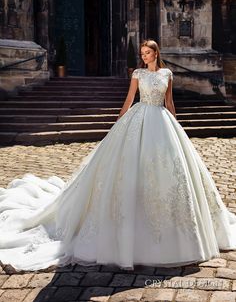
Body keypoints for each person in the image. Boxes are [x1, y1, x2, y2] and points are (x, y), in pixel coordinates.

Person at [0, 39, 235, 272]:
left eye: (147, 53)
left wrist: (176, 124)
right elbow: (130, 99)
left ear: (156, 53)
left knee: (171, 172)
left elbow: (170, 102)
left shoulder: (167, 74)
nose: (144, 56)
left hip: (162, 122)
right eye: (141, 53)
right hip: (139, 117)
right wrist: (119, 122)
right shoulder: (138, 75)